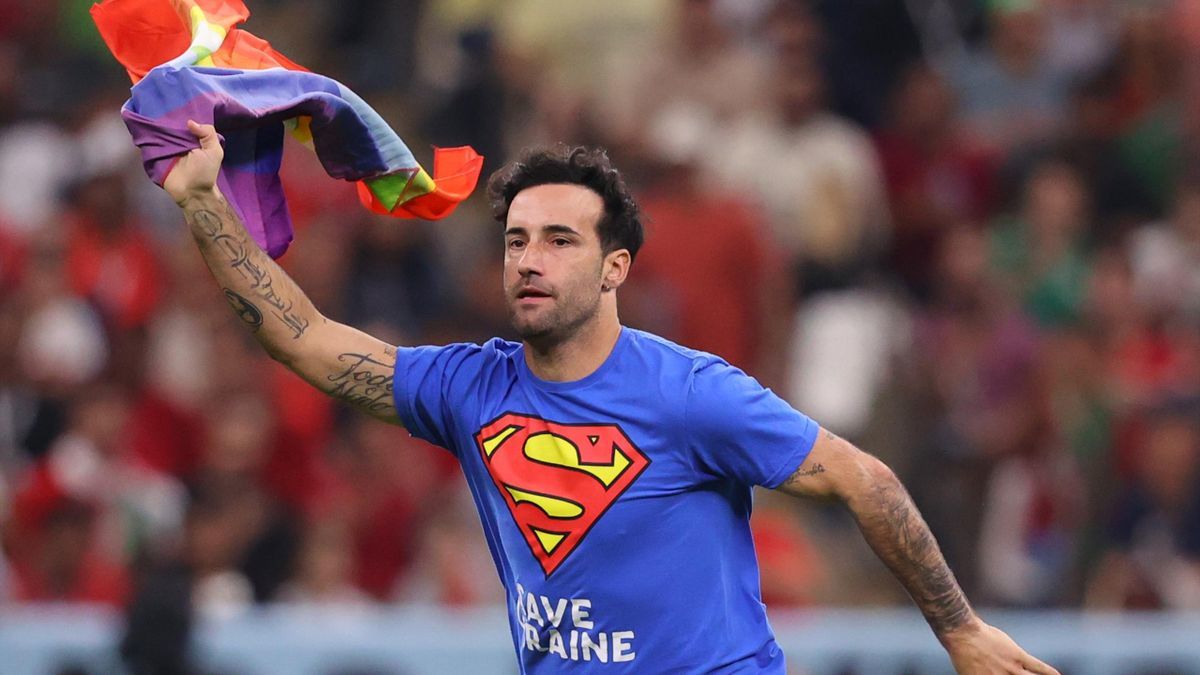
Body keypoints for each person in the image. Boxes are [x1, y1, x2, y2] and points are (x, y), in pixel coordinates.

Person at [162, 119, 1057, 674]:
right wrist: (206, 203)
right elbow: (308, 341)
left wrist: (960, 629)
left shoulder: (692, 394)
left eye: (559, 240)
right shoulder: (472, 388)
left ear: (615, 265)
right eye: (516, 241)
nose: (530, 260)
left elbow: (867, 480)